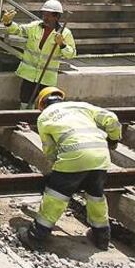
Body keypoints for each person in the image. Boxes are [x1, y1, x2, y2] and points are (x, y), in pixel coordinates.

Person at [17, 87, 122, 251]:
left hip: (73, 157)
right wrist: (114, 140)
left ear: (41, 105)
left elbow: (49, 149)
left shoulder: (44, 117)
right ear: (61, 99)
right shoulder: (81, 106)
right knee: (96, 196)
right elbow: (112, 118)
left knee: (55, 196)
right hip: (101, 156)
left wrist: (57, 167)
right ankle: (102, 237)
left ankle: (37, 235)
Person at [2, 0, 76, 109]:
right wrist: (8, 23)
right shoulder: (34, 27)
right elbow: (18, 30)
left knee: (43, 105)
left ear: (56, 17)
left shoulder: (65, 33)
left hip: (46, 78)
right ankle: (23, 122)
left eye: (48, 15)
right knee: (24, 102)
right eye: (44, 14)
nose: (45, 17)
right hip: (29, 75)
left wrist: (62, 44)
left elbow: (71, 54)